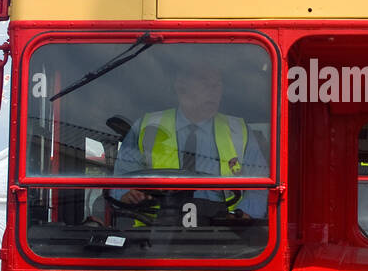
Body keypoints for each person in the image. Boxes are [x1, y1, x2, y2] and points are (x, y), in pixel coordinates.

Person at [113, 49, 268, 221]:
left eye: (217, 84)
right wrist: (126, 194)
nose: (214, 90)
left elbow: (260, 186)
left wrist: (240, 215)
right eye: (205, 83)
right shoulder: (145, 127)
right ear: (181, 87)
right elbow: (119, 181)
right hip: (152, 233)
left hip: (223, 233)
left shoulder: (240, 131)